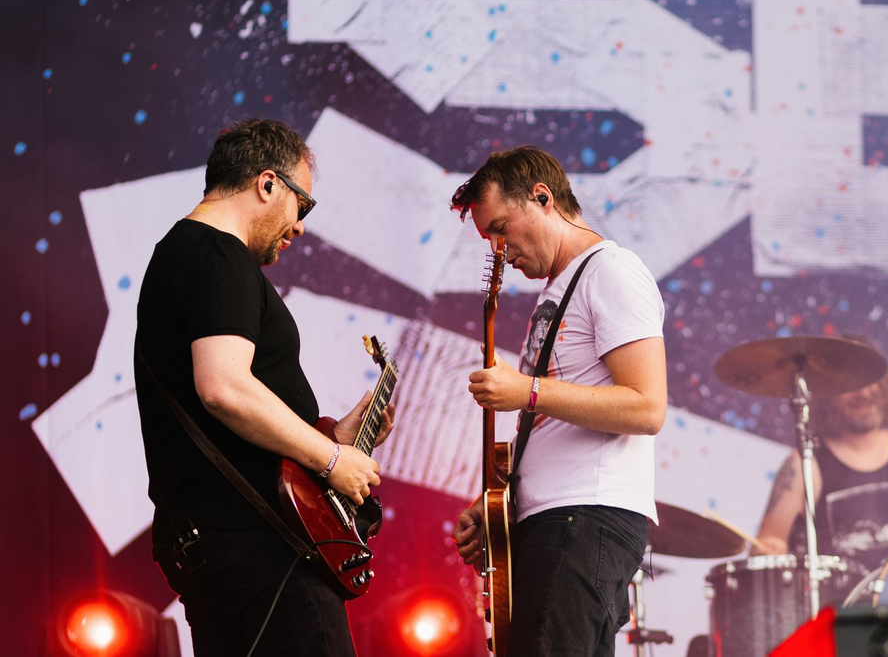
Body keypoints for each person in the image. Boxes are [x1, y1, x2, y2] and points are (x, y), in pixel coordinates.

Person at [134, 119, 394, 657]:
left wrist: (336, 436)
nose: (299, 226)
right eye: (304, 205)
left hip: (220, 539)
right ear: (268, 183)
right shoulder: (217, 253)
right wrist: (329, 459)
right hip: (256, 541)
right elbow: (223, 387)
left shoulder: (186, 253)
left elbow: (217, 406)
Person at [448, 146, 667, 657]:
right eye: (488, 239)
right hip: (559, 520)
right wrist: (500, 505)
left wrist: (526, 390)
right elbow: (554, 424)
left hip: (584, 517)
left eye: (500, 228)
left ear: (542, 198)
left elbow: (646, 406)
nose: (498, 250)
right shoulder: (559, 290)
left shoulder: (611, 270)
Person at [753, 341, 888, 606]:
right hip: (837, 615)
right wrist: (770, 551)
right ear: (827, 392)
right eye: (850, 385)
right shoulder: (804, 464)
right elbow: (766, 543)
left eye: (871, 381)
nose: (864, 393)